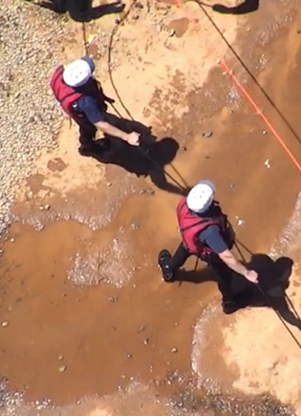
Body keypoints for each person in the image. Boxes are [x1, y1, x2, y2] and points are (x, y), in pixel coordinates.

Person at [158, 180, 259, 314]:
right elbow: (226, 256)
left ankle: (169, 270)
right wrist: (247, 273)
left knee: (185, 249)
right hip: (208, 251)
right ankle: (230, 302)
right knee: (223, 274)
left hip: (190, 240)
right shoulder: (210, 232)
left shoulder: (185, 204)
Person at [50, 57, 140, 156]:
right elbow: (100, 124)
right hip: (82, 116)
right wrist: (127, 137)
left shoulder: (60, 71)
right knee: (88, 129)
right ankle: (87, 146)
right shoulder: (86, 102)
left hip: (72, 102)